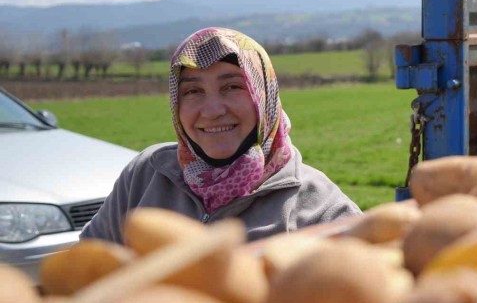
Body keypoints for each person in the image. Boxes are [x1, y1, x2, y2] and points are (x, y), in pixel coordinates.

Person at [81, 27, 361, 243]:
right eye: (193, 91)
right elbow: (85, 269)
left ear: (264, 96)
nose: (212, 110)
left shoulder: (320, 207)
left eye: (232, 87)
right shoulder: (146, 175)